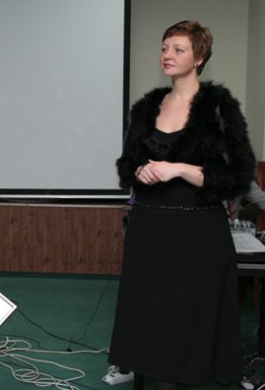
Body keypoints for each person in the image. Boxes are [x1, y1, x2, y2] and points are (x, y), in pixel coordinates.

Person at [108, 20, 256, 389]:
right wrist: (139, 170)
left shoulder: (219, 108)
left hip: (198, 236)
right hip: (149, 233)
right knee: (152, 326)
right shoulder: (147, 107)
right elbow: (127, 165)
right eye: (164, 48)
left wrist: (181, 169)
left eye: (178, 49)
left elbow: (238, 176)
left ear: (199, 57)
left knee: (190, 330)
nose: (167, 55)